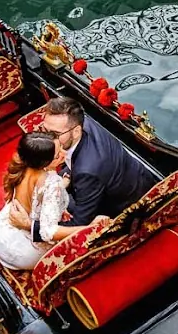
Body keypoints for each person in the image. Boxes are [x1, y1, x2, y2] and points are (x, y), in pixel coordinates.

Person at [9, 96, 157, 237]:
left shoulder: (87, 171)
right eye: (45, 130)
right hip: (126, 175)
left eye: (55, 134)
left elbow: (79, 223)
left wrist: (30, 226)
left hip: (124, 206)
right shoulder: (80, 123)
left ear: (76, 131)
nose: (48, 140)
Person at [0, 132, 105, 270]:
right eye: (57, 154)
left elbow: (38, 191)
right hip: (22, 254)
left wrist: (62, 184)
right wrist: (89, 228)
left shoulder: (23, 165)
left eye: (61, 147)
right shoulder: (52, 183)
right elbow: (49, 232)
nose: (63, 153)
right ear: (44, 163)